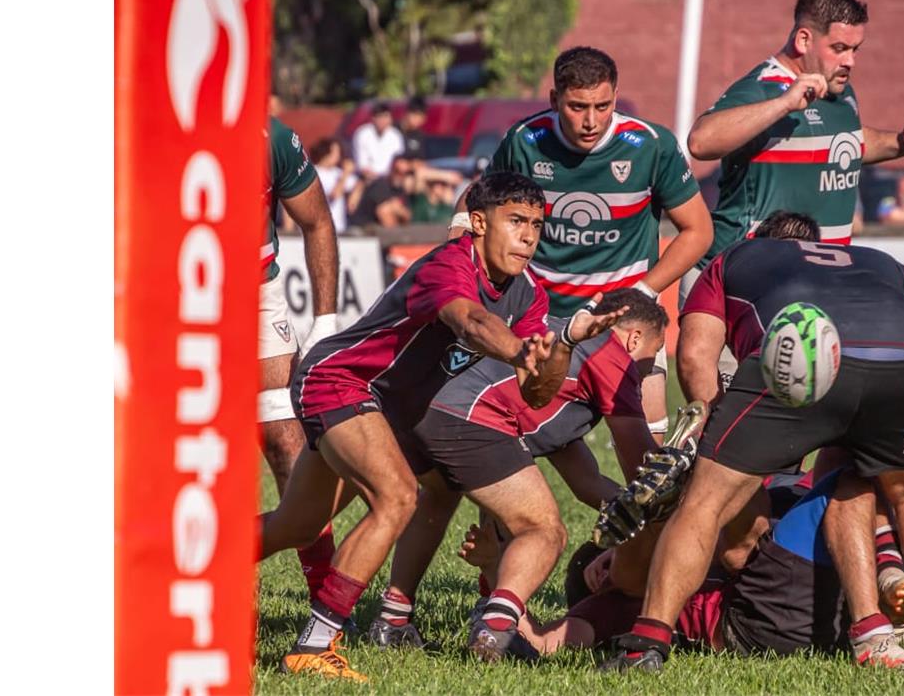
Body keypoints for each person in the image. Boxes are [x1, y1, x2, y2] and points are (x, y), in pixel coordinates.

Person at [261, 172, 629, 682]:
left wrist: (562, 340)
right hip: (339, 381)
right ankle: (315, 646)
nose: (528, 236)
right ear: (478, 223)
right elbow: (471, 323)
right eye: (516, 222)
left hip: (383, 410)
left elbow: (536, 392)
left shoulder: (528, 295)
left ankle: (177, 572)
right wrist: (522, 351)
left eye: (537, 226)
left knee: (295, 526)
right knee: (399, 497)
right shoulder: (448, 264)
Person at [599, 211, 904, 673]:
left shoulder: (734, 258)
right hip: (900, 363)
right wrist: (879, 424)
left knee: (704, 505)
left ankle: (646, 646)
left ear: (757, 238)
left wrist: (718, 434)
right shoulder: (884, 262)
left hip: (792, 361)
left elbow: (694, 357)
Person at [364, 288, 668, 656]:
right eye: (651, 359)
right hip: (467, 418)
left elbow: (587, 483)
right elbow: (644, 465)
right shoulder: (609, 354)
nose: (647, 371)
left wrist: (630, 523)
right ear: (634, 339)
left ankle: (392, 621)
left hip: (418, 408)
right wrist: (675, 515)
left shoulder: (568, 366)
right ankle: (496, 629)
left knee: (439, 498)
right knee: (544, 531)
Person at [680, 0, 904, 383]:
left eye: (856, 49)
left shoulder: (842, 95)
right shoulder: (762, 87)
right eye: (839, 48)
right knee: (733, 420)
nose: (850, 61)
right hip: (741, 279)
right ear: (804, 39)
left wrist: (900, 143)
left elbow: (845, 143)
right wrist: (785, 103)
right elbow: (701, 141)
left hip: (816, 284)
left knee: (801, 418)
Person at [483, 468, 904, 663]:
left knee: (888, 498)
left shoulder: (682, 555)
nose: (604, 573)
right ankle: (890, 609)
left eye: (601, 565)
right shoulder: (620, 608)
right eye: (600, 576)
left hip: (815, 603)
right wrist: (497, 576)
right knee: (857, 481)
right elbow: (538, 643)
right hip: (760, 610)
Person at [480, 46, 714, 442]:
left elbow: (698, 231)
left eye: (603, 106)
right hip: (541, 319)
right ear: (555, 100)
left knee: (647, 458)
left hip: (625, 319)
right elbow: (479, 204)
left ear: (615, 96)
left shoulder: (651, 145)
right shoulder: (524, 141)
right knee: (505, 440)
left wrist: (643, 292)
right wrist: (458, 236)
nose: (591, 120)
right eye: (576, 107)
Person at [259, 117, 341, 601]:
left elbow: (317, 221)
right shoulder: (139, 128)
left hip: (253, 292)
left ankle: (324, 598)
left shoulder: (269, 138)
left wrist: (325, 320)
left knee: (287, 441)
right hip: (162, 293)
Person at [309, 137, 359, 233]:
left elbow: (358, 184)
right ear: (326, 154)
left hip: (339, 227)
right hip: (320, 229)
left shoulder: (337, 172)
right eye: (336, 153)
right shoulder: (314, 173)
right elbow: (334, 195)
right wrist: (346, 173)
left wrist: (353, 198)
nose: (339, 156)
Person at [350, 154, 413, 228]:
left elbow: (408, 215)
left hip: (381, 229)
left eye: (405, 173)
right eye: (397, 171)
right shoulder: (381, 185)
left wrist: (399, 210)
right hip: (366, 225)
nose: (400, 176)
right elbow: (382, 211)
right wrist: (397, 209)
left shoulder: (401, 190)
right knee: (386, 210)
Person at [353, 101, 405, 181]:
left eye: (386, 117)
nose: (383, 120)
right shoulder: (362, 134)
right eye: (380, 117)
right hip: (366, 178)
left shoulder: (396, 135)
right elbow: (362, 165)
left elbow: (399, 161)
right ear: (373, 118)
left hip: (389, 178)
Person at [400, 95, 428, 160]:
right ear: (407, 113)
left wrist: (411, 165)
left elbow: (421, 160)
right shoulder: (393, 131)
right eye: (415, 114)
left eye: (421, 116)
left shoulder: (420, 136)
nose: (417, 119)